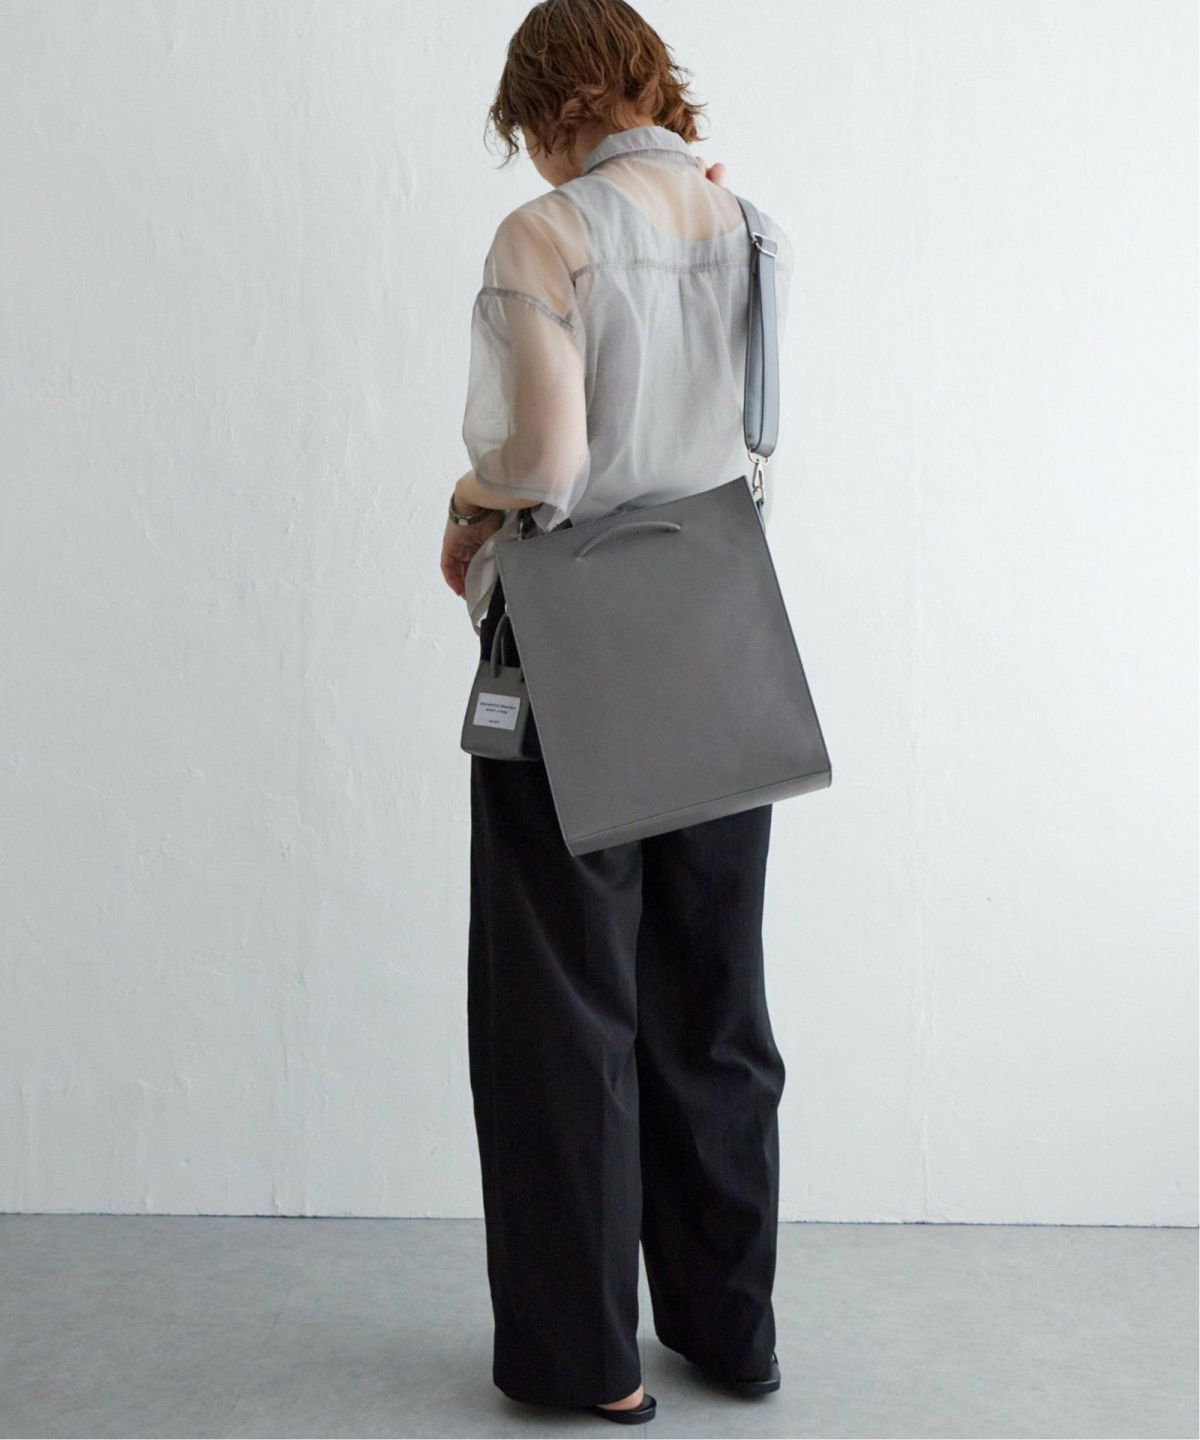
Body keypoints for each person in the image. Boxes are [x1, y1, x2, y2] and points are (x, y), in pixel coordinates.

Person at [438, 0, 794, 1425]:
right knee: (715, 1002)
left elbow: (548, 459)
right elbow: (752, 424)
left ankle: (587, 1363)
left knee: (561, 1006)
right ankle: (732, 1332)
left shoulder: (547, 233)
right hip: (720, 620)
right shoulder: (751, 225)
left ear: (546, 109)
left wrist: (466, 509)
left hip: (577, 628)